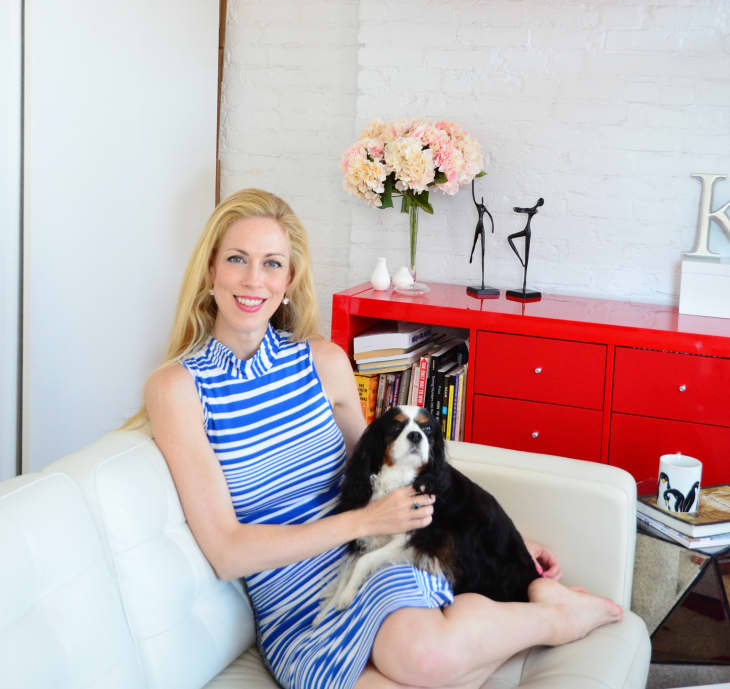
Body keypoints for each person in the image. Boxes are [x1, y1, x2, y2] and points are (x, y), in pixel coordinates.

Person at [141, 188, 622, 689]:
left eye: (272, 264)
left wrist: (507, 539)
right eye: (237, 259)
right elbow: (227, 553)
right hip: (293, 607)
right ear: (210, 270)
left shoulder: (321, 361)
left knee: (424, 655)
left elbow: (396, 469)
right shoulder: (178, 389)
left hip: (377, 563)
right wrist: (362, 521)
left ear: (289, 281)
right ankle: (485, 625)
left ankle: (556, 618)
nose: (253, 280)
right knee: (431, 671)